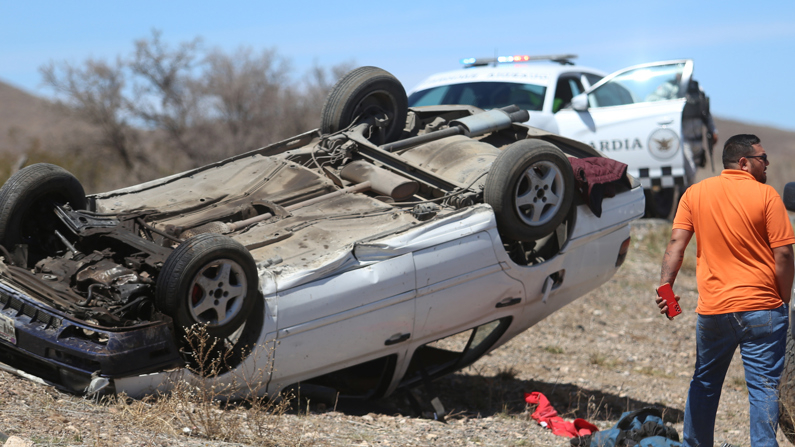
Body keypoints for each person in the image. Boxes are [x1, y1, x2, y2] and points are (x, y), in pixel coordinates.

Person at [656, 134, 795, 447]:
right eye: (763, 158)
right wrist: (782, 300)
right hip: (763, 309)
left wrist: (668, 294)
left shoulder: (695, 193)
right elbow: (784, 255)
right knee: (763, 388)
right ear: (743, 162)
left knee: (704, 383)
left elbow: (676, 243)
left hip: (715, 310)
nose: (768, 163)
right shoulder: (768, 196)